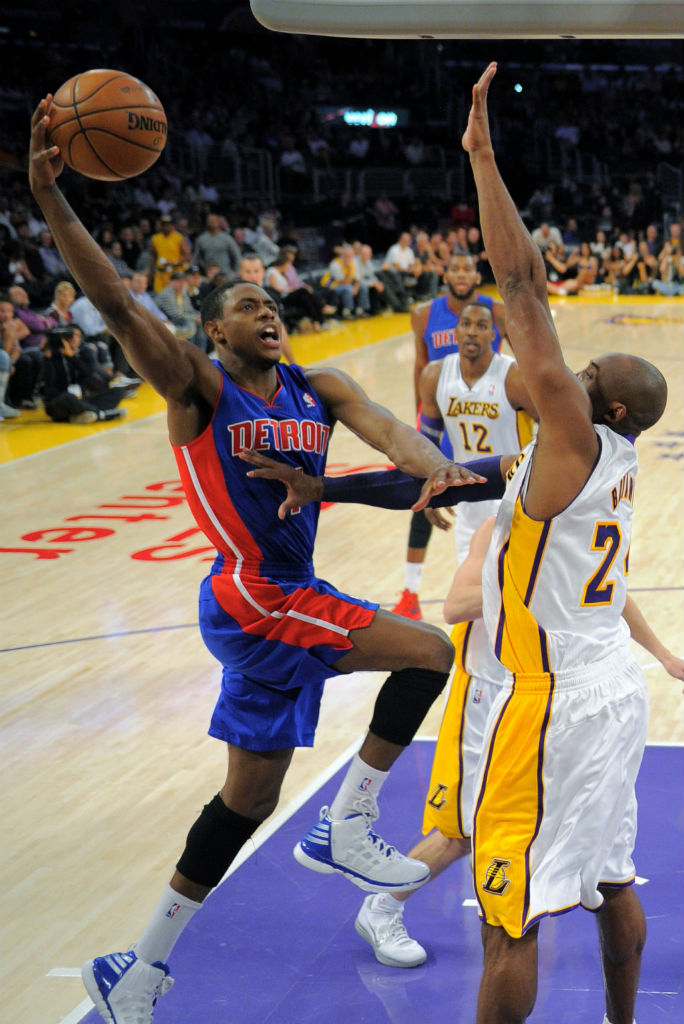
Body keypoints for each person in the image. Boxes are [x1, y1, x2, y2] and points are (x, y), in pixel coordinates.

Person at [29, 95, 484, 1024]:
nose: (267, 312)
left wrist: (437, 473)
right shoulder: (196, 390)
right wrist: (51, 197)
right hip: (253, 594)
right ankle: (346, 821)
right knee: (435, 652)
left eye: (272, 302)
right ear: (214, 332)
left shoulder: (321, 386)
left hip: (285, 596)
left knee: (243, 803)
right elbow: (117, 300)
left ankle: (138, 971)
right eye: (246, 304)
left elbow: (400, 437)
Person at [462, 61, 668, 1024]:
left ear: (608, 404)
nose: (565, 373)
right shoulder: (612, 456)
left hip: (547, 703)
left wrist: (483, 156)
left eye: (584, 373)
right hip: (611, 692)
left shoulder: (575, 437)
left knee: (511, 923)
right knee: (612, 878)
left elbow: (520, 285)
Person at [393, 252, 508, 621]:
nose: (461, 274)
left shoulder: (499, 310)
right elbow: (418, 365)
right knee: (421, 497)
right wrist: (419, 422)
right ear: (445, 274)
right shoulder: (424, 313)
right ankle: (410, 591)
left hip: (488, 410)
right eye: (454, 269)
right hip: (445, 410)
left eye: (466, 269)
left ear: (476, 274)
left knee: (494, 513)